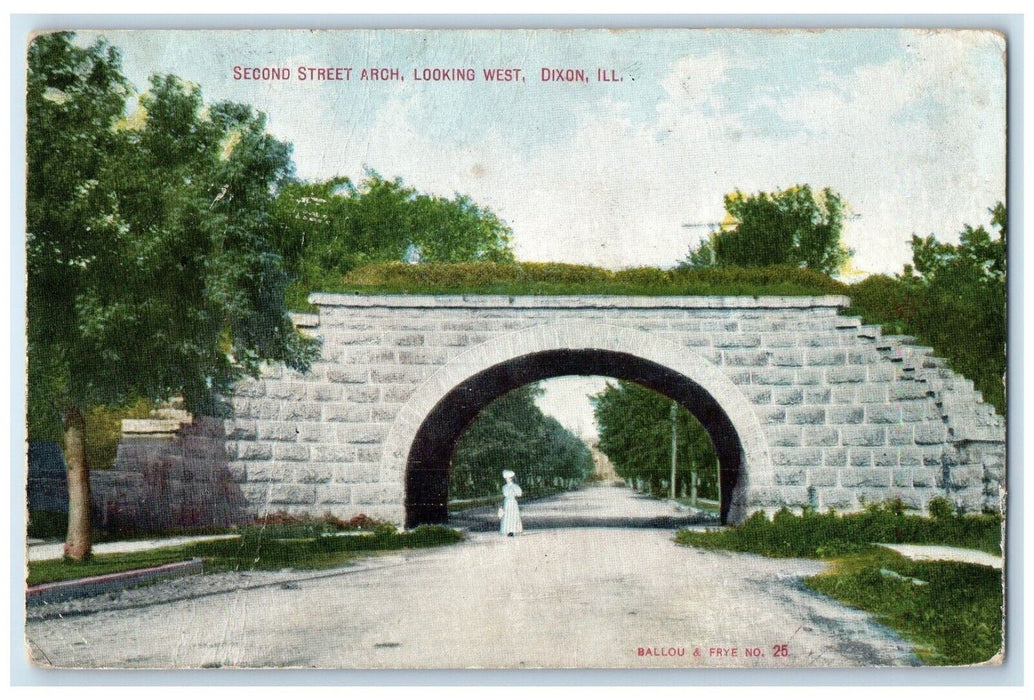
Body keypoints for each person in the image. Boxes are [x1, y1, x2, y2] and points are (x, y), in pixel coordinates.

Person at [499, 470, 523, 536]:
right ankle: (507, 530)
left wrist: (514, 492)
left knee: (513, 516)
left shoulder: (515, 486)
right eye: (506, 478)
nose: (507, 480)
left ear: (511, 478)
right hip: (506, 502)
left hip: (513, 502)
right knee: (507, 516)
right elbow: (504, 496)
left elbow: (519, 494)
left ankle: (513, 530)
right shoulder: (504, 487)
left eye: (508, 478)